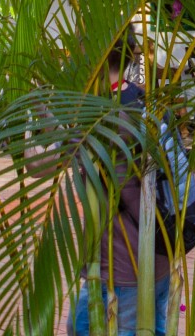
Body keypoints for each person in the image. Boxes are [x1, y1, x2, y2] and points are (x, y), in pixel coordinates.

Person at [69, 40, 172, 336]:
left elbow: (40, 168)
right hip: (159, 256)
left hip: (119, 267)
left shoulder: (97, 117)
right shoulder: (148, 104)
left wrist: (41, 109)